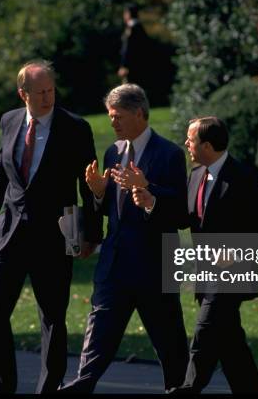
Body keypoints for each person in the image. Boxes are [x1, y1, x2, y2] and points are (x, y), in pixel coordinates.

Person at [0, 60, 102, 394]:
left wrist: (91, 235)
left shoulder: (75, 128)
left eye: (51, 90)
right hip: (11, 233)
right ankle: (3, 387)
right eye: (40, 92)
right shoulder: (9, 121)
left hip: (53, 237)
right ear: (24, 94)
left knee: (52, 319)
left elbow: (87, 184)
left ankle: (48, 390)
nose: (48, 98)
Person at [58, 83, 190, 393]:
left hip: (155, 264)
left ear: (139, 114)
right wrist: (98, 192)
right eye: (110, 116)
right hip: (115, 261)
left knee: (168, 339)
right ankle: (81, 384)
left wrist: (149, 191)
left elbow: (181, 214)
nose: (112, 122)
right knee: (100, 326)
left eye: (118, 116)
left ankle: (180, 389)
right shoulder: (112, 152)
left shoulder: (169, 154)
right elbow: (109, 210)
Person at [157, 116, 258, 394]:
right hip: (205, 276)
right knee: (231, 347)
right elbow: (184, 218)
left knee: (204, 332)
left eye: (191, 140)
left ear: (208, 146)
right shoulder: (196, 175)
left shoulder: (243, 177)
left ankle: (187, 388)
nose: (186, 144)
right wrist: (150, 199)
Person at [118, 3, 149, 86]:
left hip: (131, 69)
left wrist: (124, 66)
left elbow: (127, 49)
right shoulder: (141, 28)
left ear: (128, 13)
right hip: (142, 68)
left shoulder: (132, 28)